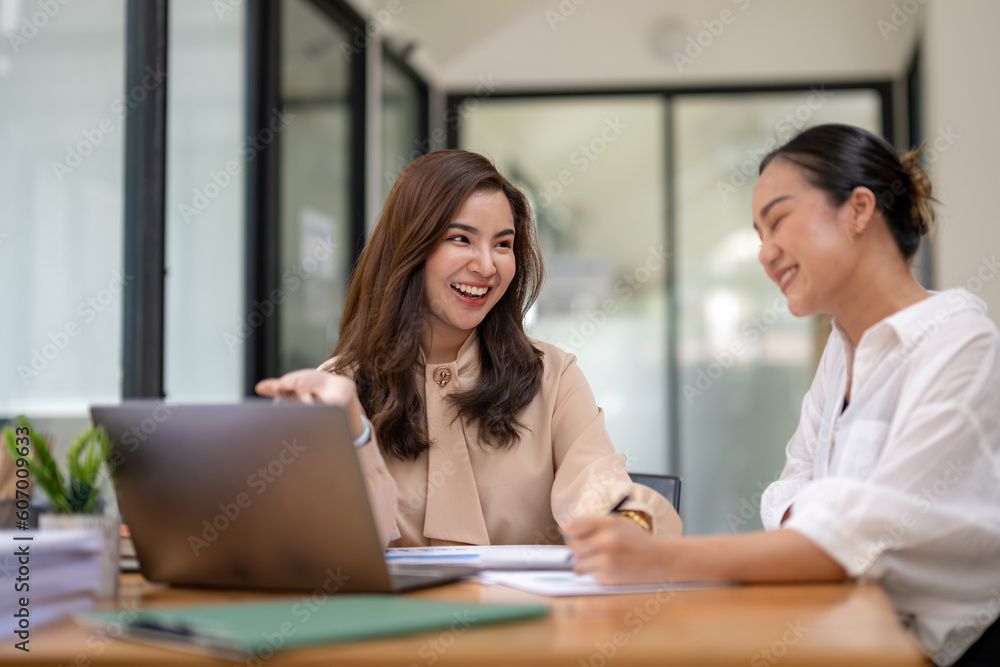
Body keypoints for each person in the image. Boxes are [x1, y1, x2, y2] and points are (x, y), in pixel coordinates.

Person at [564, 124, 1000, 667]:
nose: (765, 253)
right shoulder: (842, 350)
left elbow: (867, 530)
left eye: (779, 220)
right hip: (847, 626)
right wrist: (827, 517)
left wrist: (664, 557)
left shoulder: (959, 344)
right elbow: (790, 489)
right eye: (757, 233)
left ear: (859, 209)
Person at [256, 149, 681, 549]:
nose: (486, 265)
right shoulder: (340, 386)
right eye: (461, 239)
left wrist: (630, 523)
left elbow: (597, 481)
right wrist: (354, 430)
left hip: (530, 621)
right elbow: (341, 542)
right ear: (410, 248)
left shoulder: (550, 375)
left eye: (502, 244)